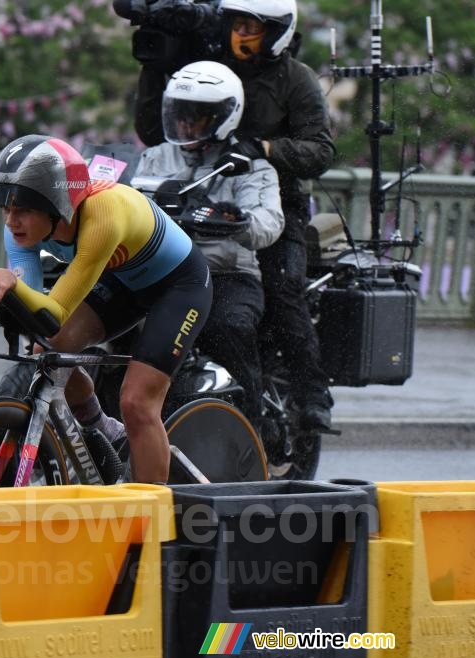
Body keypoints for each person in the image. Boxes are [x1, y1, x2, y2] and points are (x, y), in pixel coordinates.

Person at [0, 134, 212, 483]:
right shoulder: (22, 228)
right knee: (48, 348)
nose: (11, 222)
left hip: (178, 286)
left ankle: (149, 522)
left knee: (136, 403)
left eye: (23, 210)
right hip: (123, 278)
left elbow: (53, 310)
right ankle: (98, 425)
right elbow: (38, 317)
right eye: (6, 209)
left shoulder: (102, 214)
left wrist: (9, 283)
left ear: (57, 205)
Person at [134, 0, 337, 431]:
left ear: (277, 31)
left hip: (271, 196)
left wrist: (264, 150)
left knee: (283, 287)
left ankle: (309, 392)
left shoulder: (296, 80)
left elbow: (321, 150)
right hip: (199, 194)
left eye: (252, 27)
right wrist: (156, 62)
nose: (240, 35)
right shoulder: (210, 60)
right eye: (235, 25)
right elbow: (159, 129)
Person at [132, 60, 283, 426]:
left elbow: (269, 222)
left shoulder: (249, 166)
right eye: (178, 114)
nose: (184, 123)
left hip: (225, 273)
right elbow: (124, 195)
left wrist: (236, 220)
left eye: (195, 116)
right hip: (163, 271)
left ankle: (252, 427)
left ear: (223, 117)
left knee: (227, 327)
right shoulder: (153, 157)